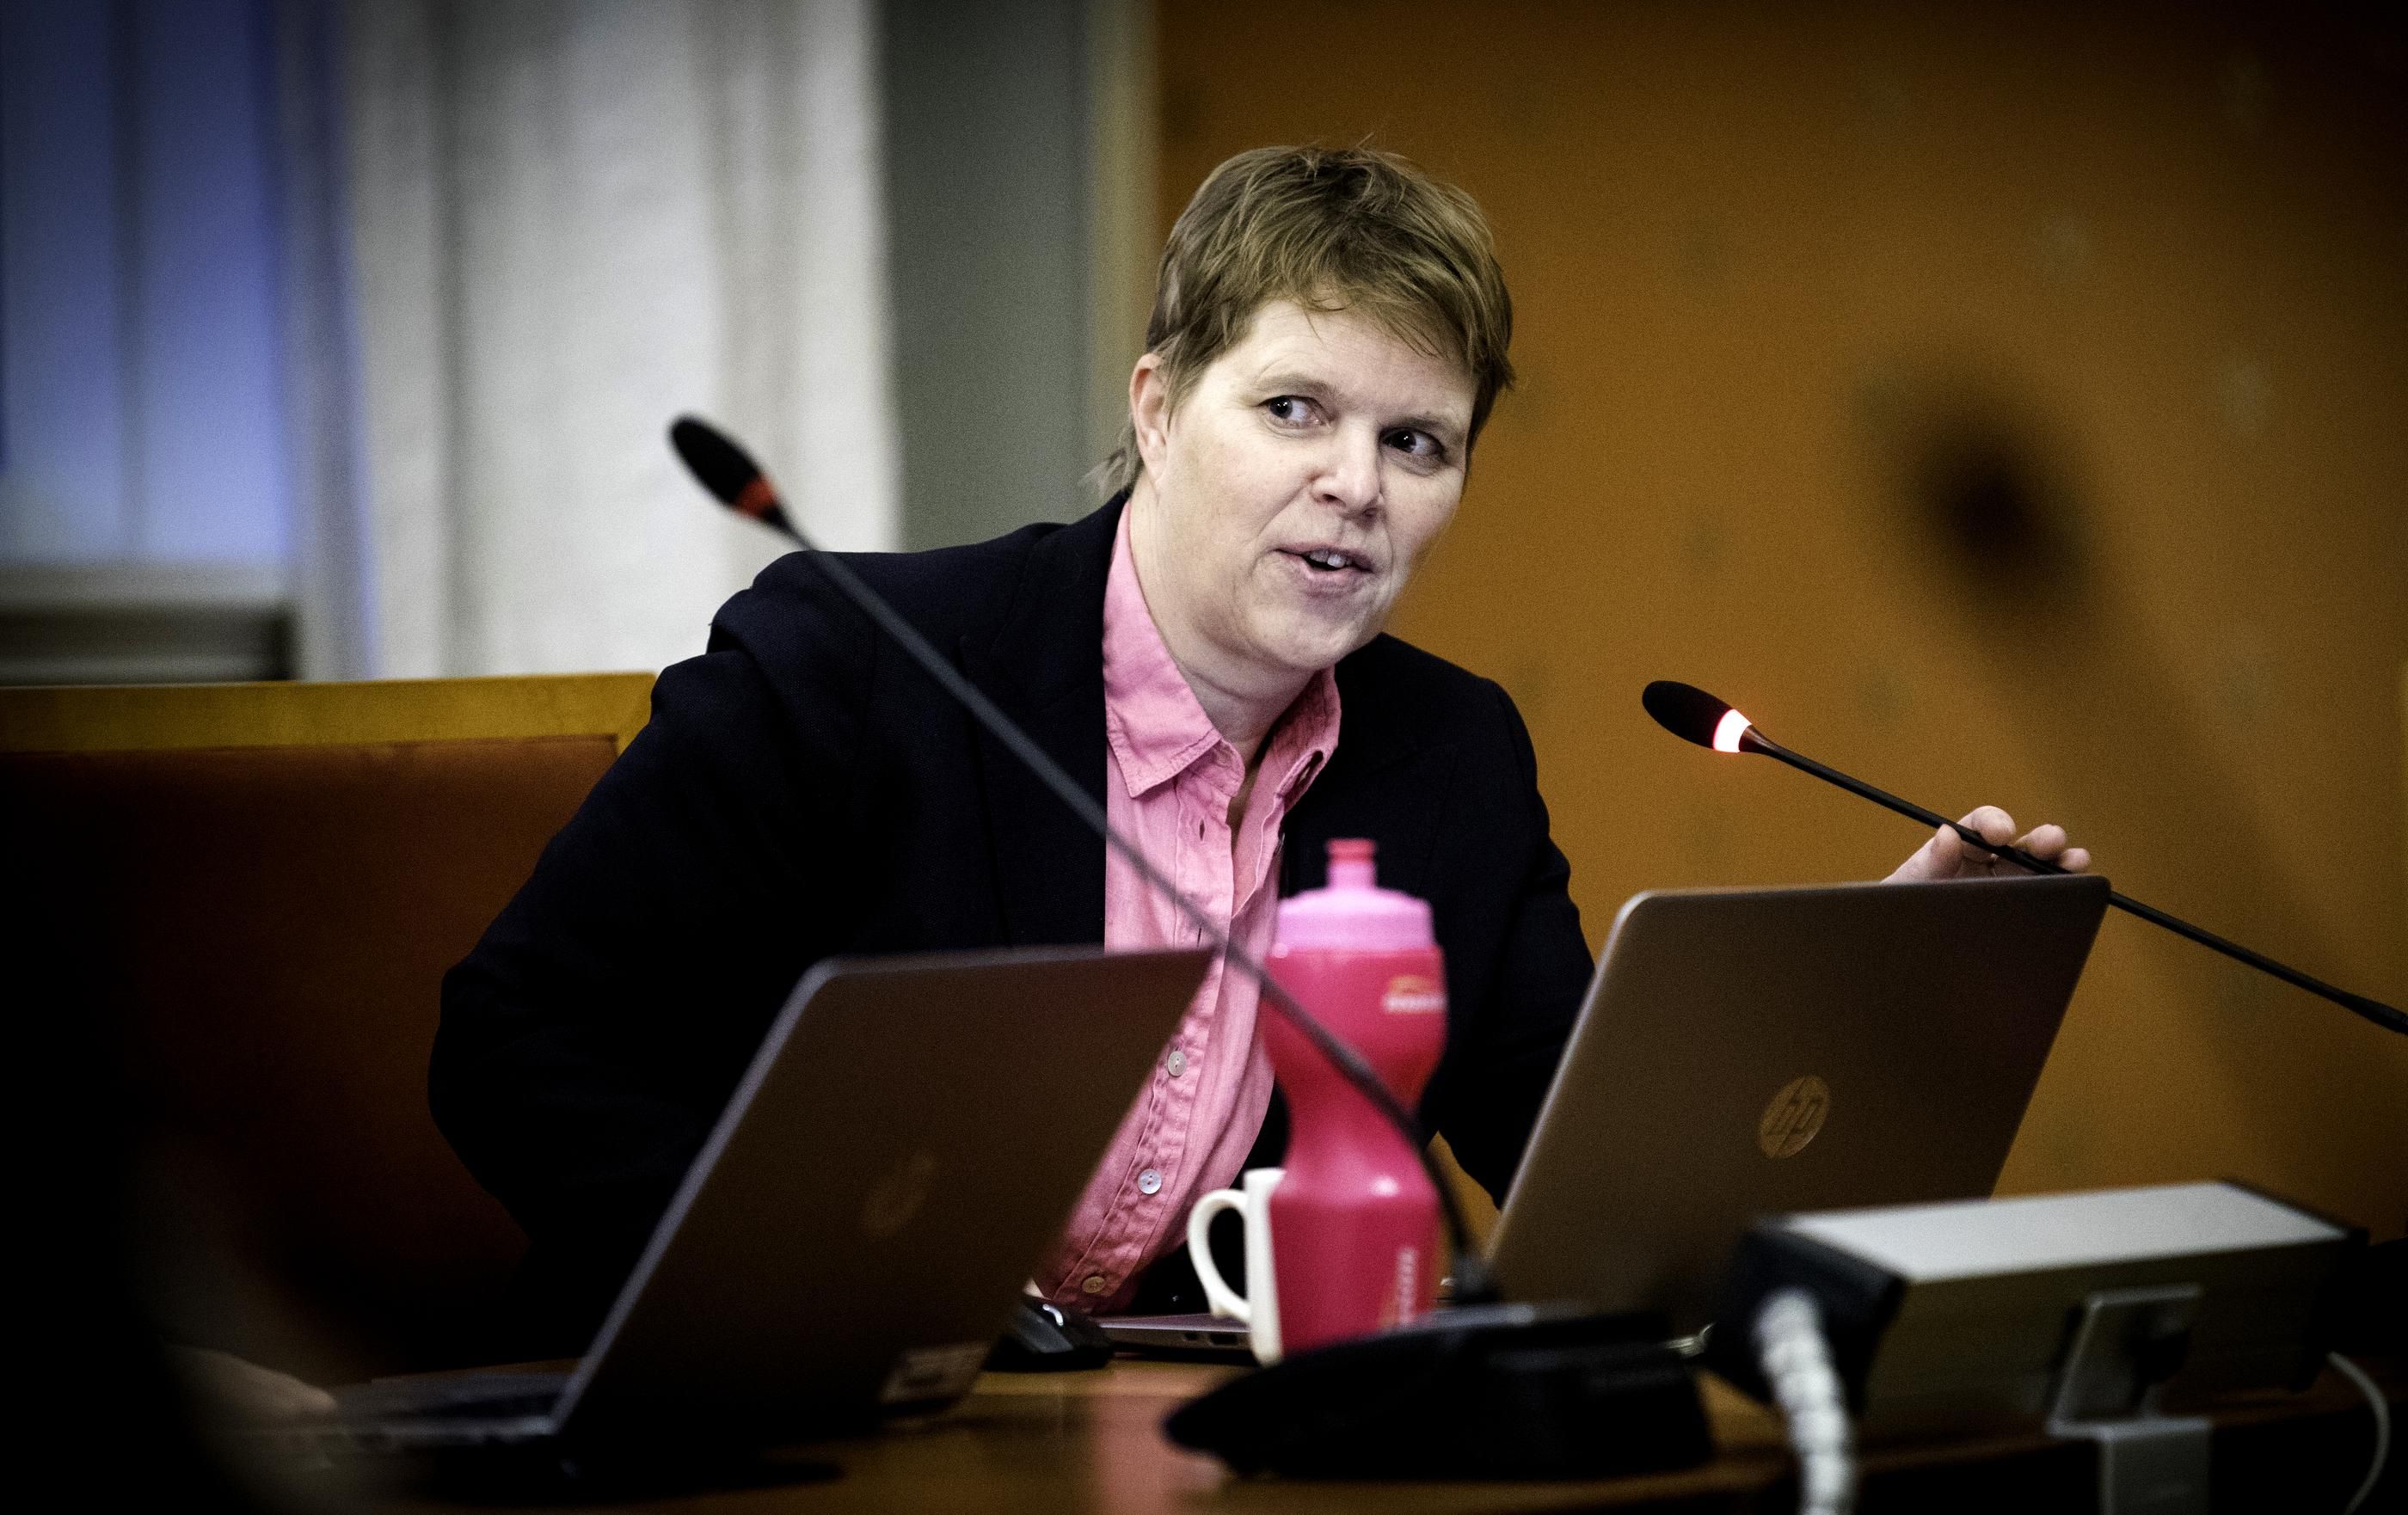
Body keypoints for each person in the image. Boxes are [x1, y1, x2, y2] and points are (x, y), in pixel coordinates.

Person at [431, 145, 2088, 1352]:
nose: (1356, 485)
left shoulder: (1450, 754)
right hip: (775, 1434)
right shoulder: (855, 665)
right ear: (1157, 407)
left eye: (1417, 441)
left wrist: (1865, 990)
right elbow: (517, 1039)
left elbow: (1587, 1166)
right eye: (1294, 409)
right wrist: (804, 1297)